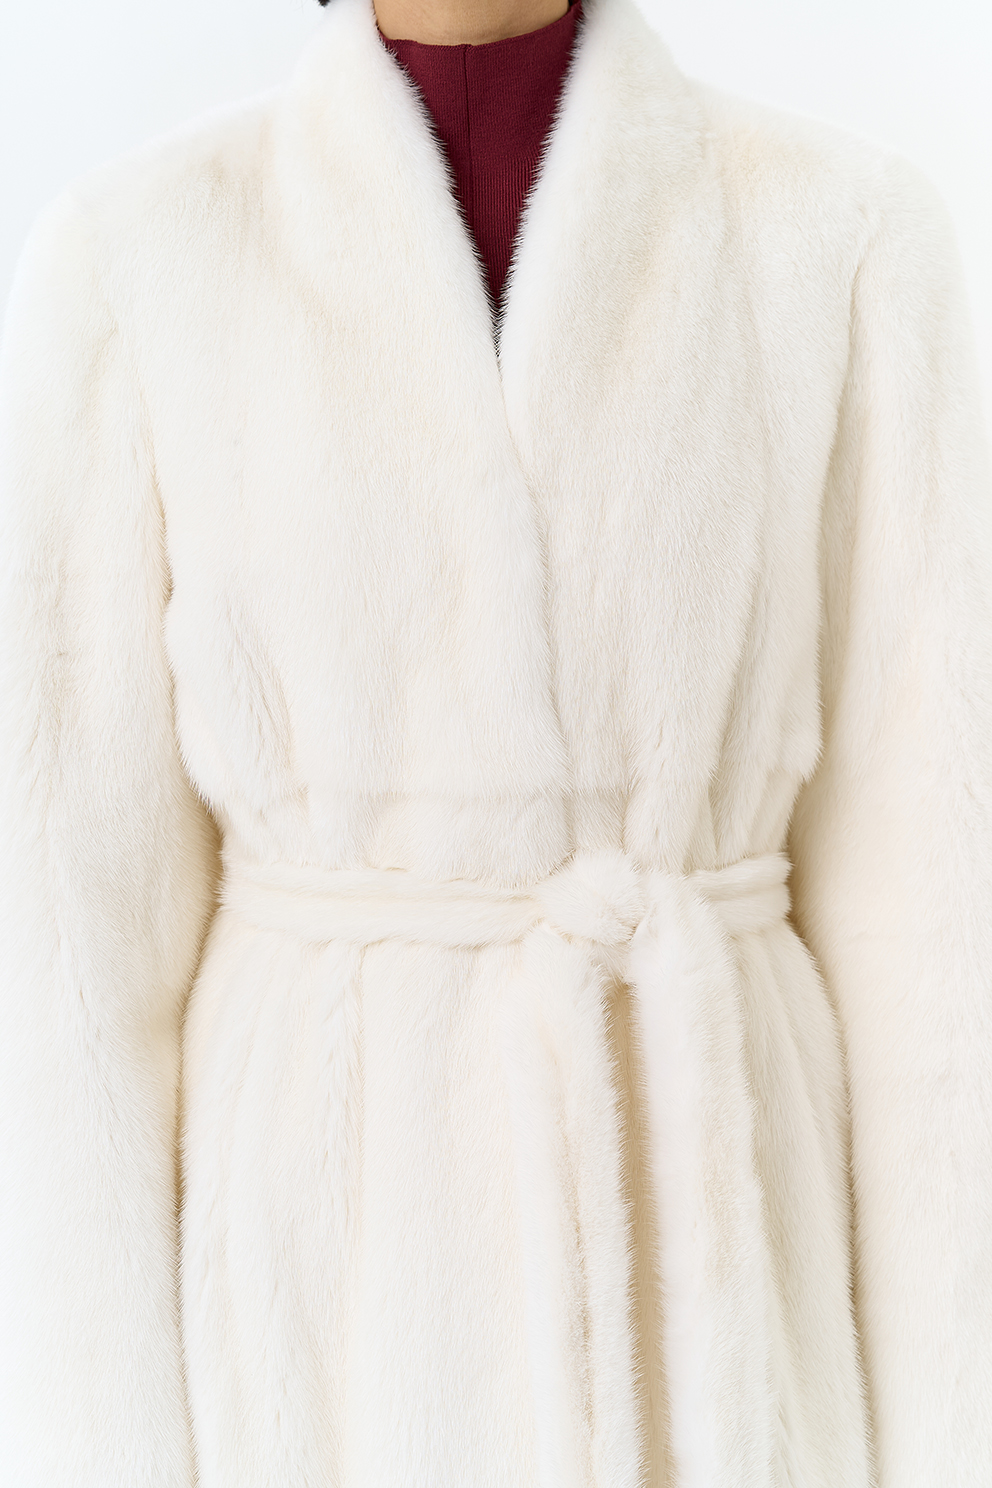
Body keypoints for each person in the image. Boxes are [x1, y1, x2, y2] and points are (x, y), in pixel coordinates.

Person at [0, 0, 989, 1482]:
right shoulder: (142, 262)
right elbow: (69, 953)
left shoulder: (842, 242)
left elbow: (941, 922)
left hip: (721, 1278)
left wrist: (954, 1434)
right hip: (327, 1305)